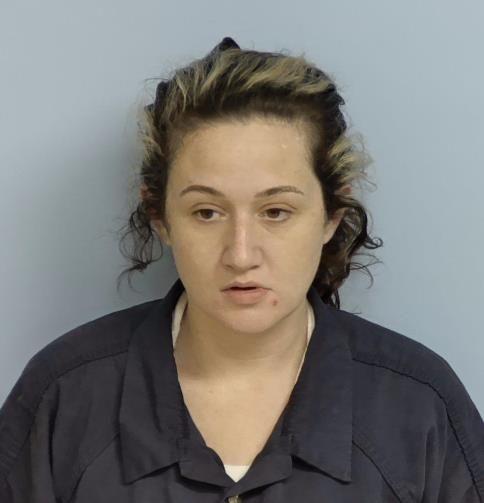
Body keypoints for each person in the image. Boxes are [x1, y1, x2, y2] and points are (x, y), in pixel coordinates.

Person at [0, 37, 483, 503]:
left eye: (276, 212)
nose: (241, 254)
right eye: (207, 212)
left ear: (331, 216)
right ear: (161, 217)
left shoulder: (421, 406)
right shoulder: (64, 396)